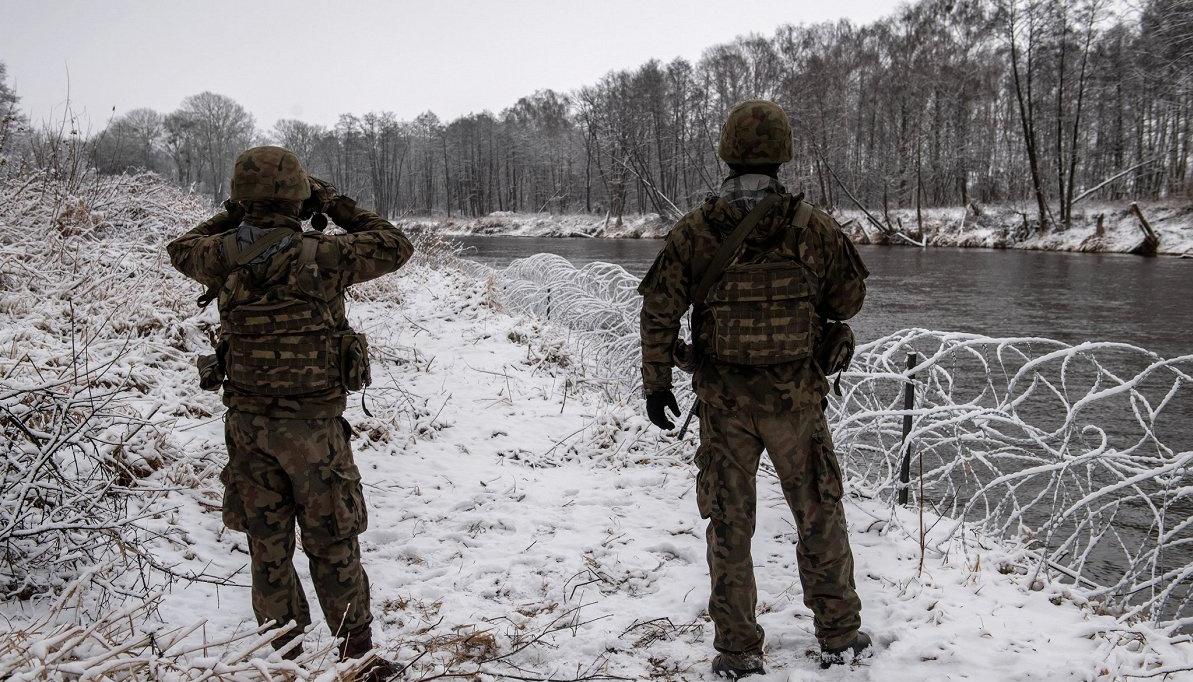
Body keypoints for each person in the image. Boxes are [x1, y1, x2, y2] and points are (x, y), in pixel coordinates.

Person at [637, 101, 871, 678]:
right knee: (819, 513)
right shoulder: (814, 227)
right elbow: (848, 302)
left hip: (724, 405)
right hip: (796, 403)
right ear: (782, 156)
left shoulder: (695, 230)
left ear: (726, 153)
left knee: (729, 523)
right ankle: (839, 635)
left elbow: (659, 311)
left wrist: (657, 385)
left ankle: (738, 650)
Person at [168, 146, 414, 681]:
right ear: (299, 197)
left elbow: (179, 247)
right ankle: (358, 658)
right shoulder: (325, 255)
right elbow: (395, 244)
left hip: (248, 429)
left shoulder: (218, 255)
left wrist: (233, 216)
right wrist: (334, 202)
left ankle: (283, 658)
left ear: (241, 197)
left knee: (268, 545)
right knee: (333, 540)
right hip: (315, 431)